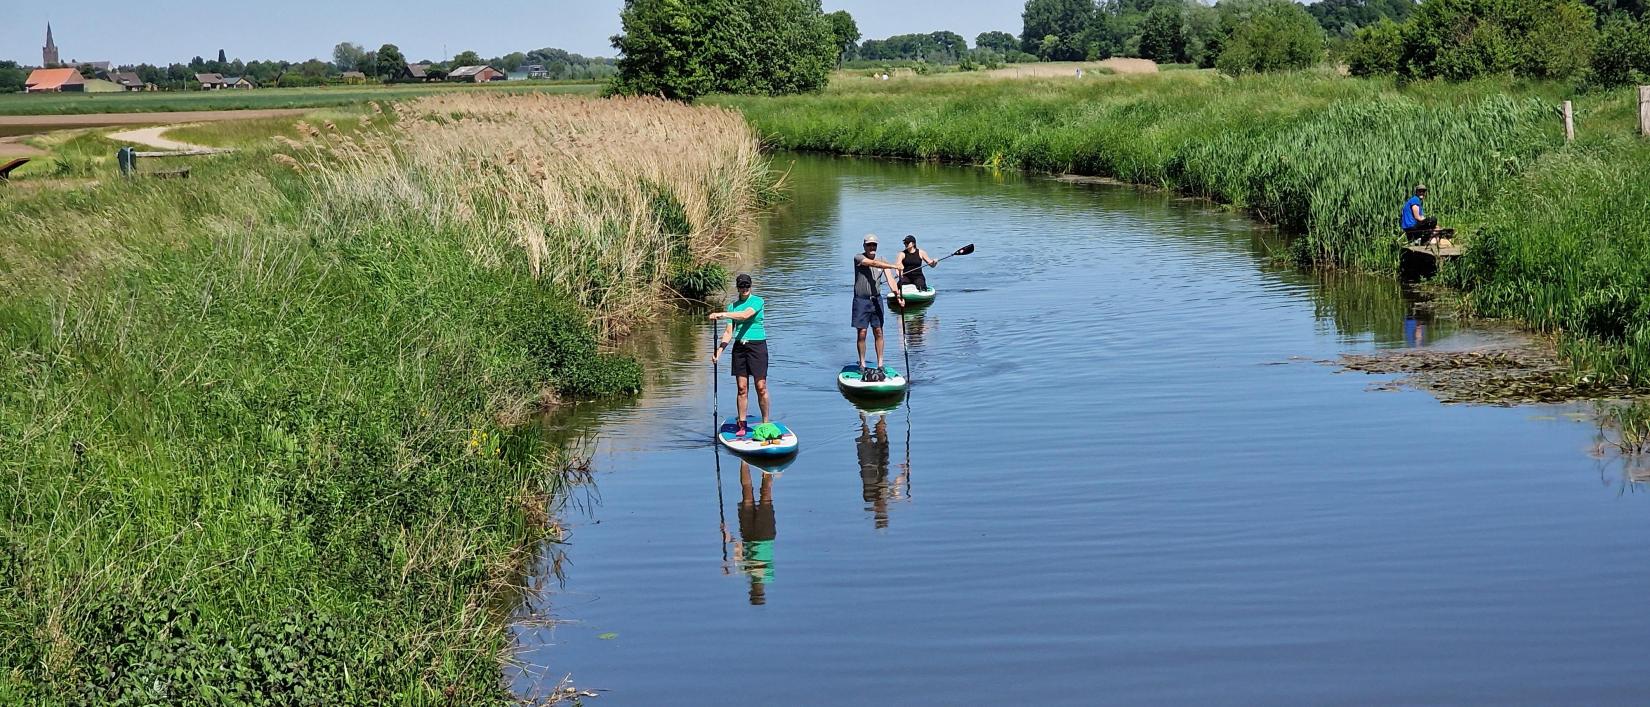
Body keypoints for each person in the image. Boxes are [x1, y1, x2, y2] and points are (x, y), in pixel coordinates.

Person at [710, 273, 768, 438]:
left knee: (761, 387)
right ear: (737, 287)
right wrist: (719, 351)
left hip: (757, 346)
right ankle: (741, 424)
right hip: (740, 348)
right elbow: (729, 332)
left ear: (750, 286)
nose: (744, 289)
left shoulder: (758, 301)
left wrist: (722, 314)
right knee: (742, 388)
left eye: (747, 286)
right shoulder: (732, 307)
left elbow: (745, 315)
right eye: (741, 286)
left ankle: (765, 422)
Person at [852, 234, 905, 380]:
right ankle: (862, 364)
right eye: (869, 245)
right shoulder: (859, 258)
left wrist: (899, 296)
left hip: (876, 300)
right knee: (862, 332)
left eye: (874, 245)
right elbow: (874, 264)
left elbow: (890, 281)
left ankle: (880, 364)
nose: (872, 247)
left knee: (878, 331)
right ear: (864, 246)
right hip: (861, 300)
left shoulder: (883, 260)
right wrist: (895, 266)